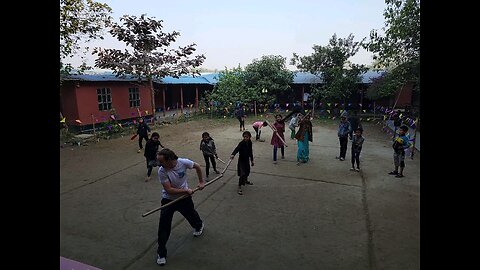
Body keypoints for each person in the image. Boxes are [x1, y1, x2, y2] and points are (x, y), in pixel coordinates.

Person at [155, 148, 206, 266]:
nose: (159, 165)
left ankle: (199, 226)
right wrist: (185, 190)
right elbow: (169, 190)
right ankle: (161, 252)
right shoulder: (162, 171)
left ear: (170, 159)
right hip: (168, 200)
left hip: (184, 199)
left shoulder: (183, 162)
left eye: (161, 162)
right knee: (163, 226)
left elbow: (197, 166)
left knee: (191, 215)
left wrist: (201, 181)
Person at [230, 131, 254, 195]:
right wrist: (233, 154)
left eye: (247, 137)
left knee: (247, 171)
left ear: (249, 137)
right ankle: (239, 186)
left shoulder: (250, 142)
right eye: (244, 137)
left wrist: (252, 160)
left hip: (246, 160)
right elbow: (237, 149)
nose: (245, 138)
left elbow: (250, 151)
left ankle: (245, 181)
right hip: (241, 161)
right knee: (242, 174)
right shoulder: (241, 143)